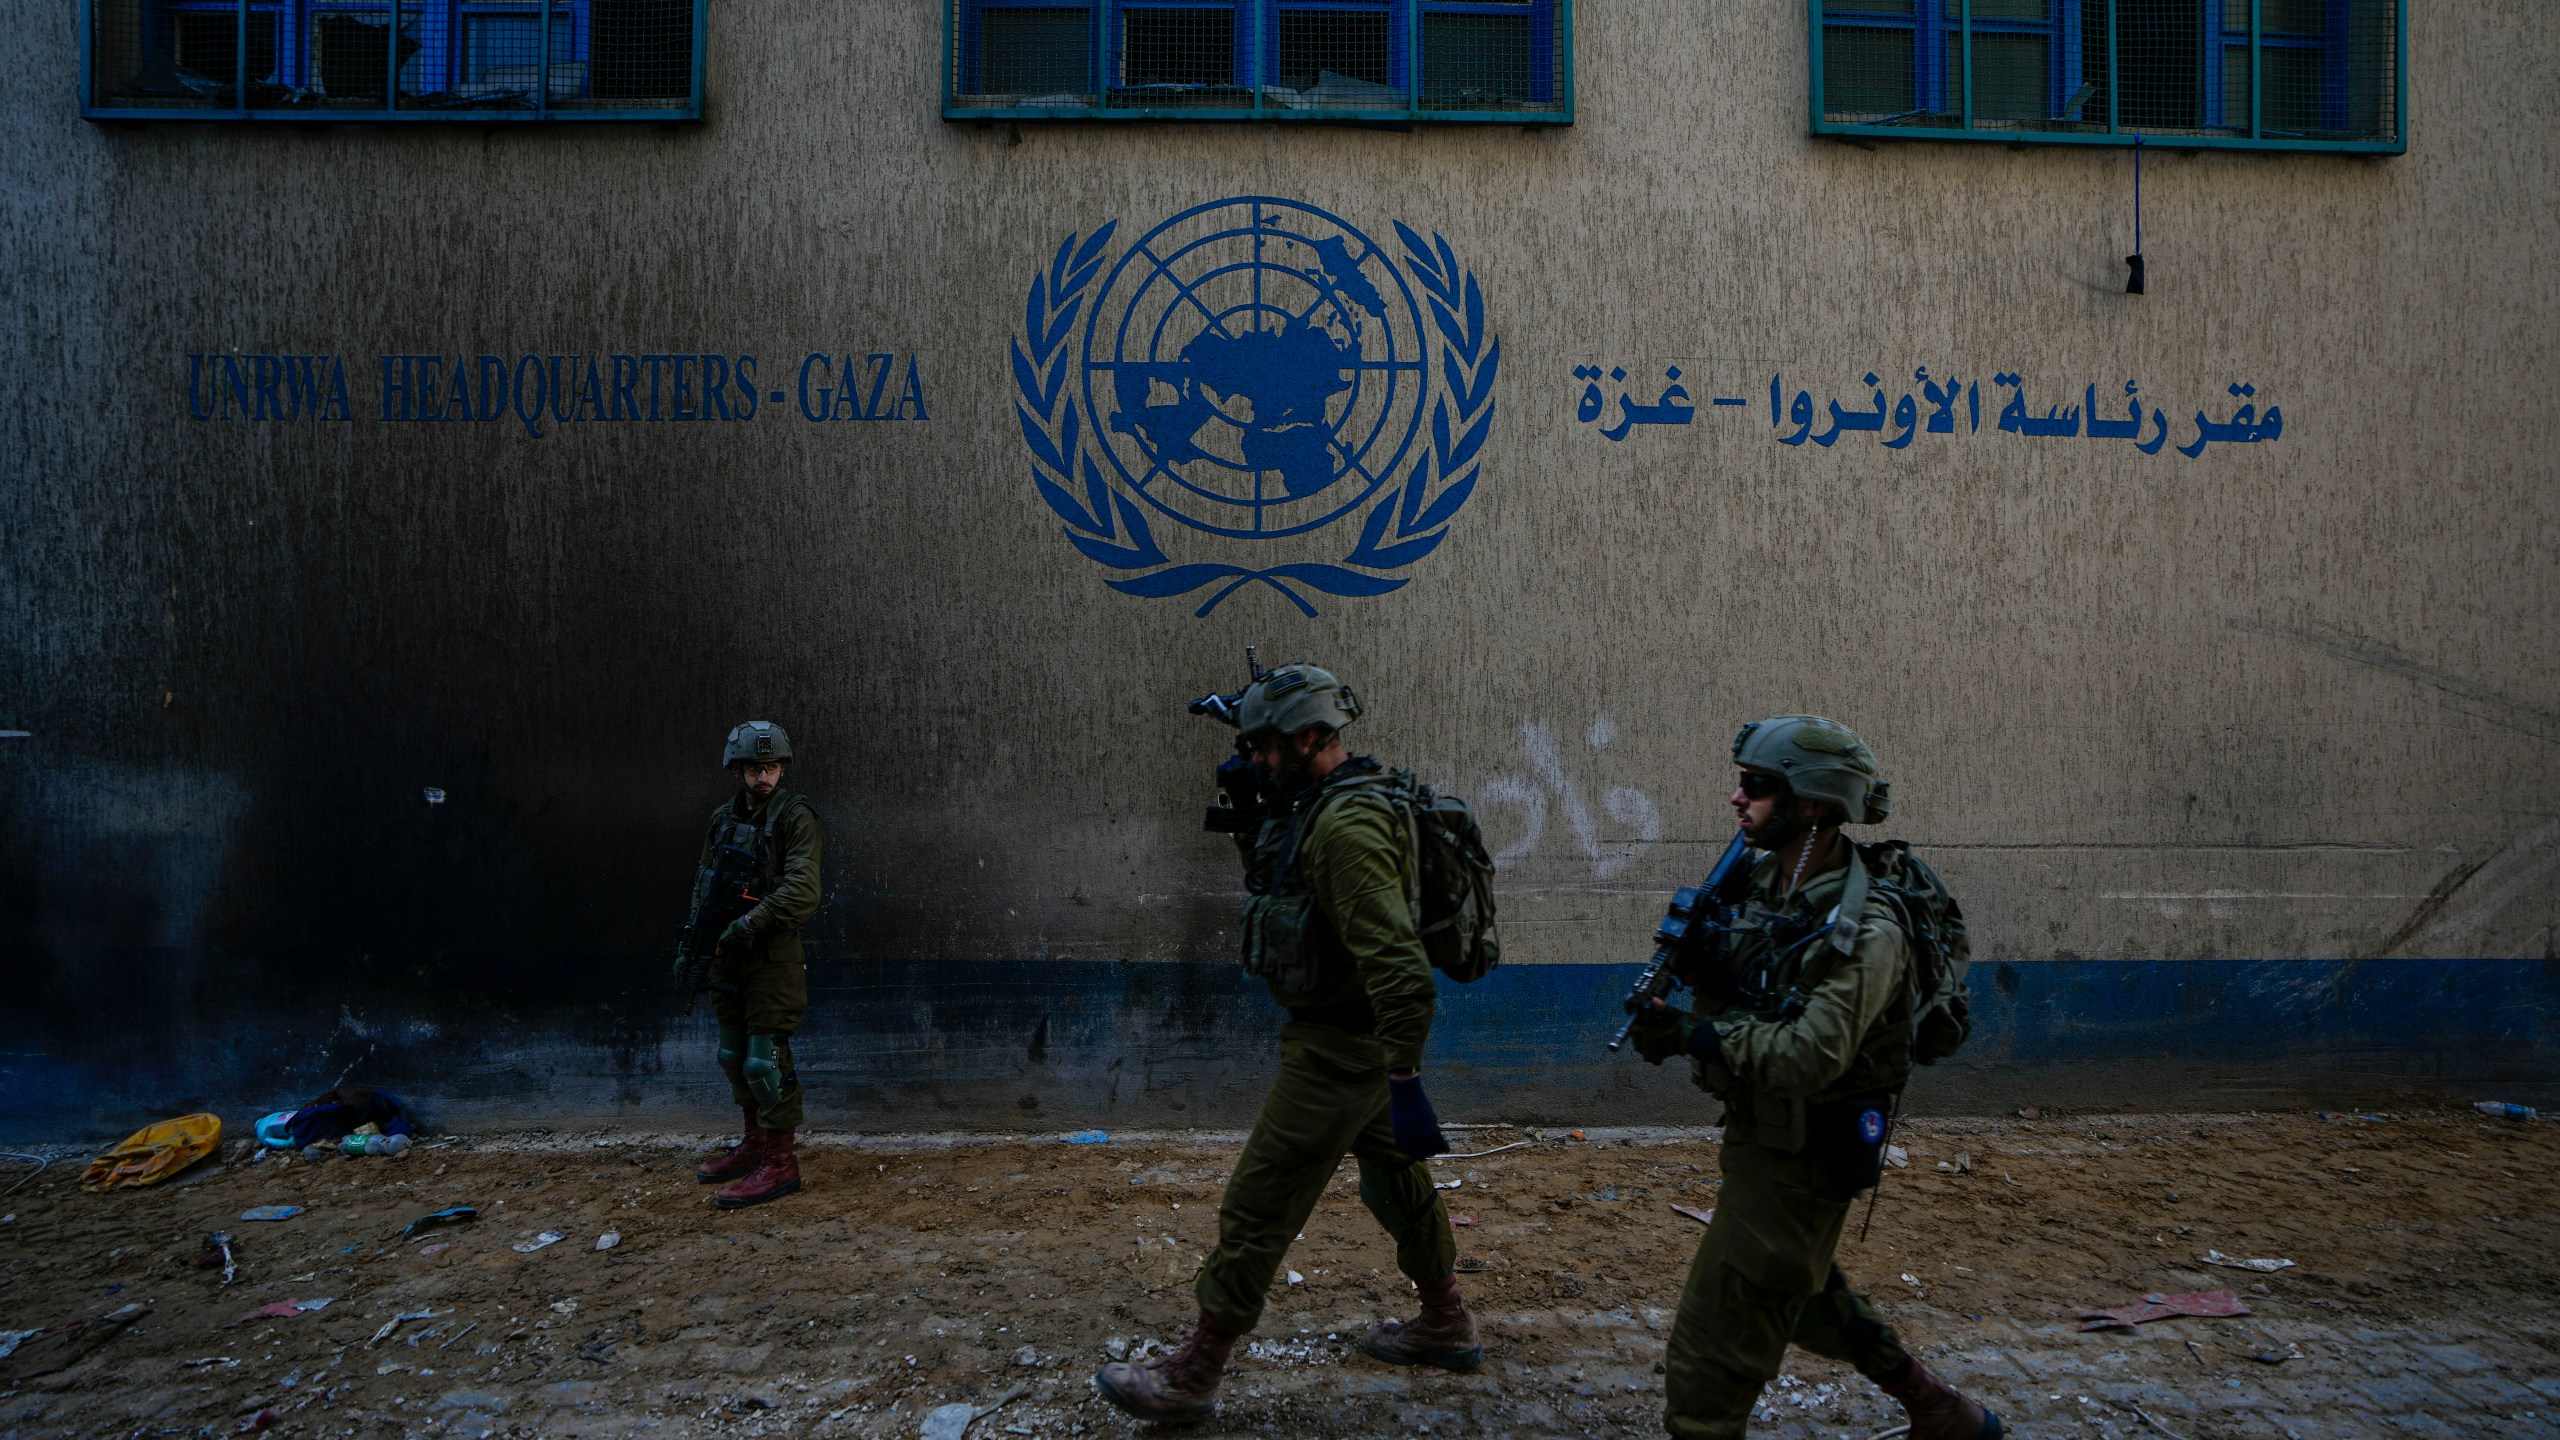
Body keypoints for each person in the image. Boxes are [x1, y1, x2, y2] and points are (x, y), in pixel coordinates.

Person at [1095, 664, 1479, 1422]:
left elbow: (1403, 973)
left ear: (1312, 737)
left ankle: (1194, 1372)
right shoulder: (1318, 807)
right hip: (1353, 1042)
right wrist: (1251, 813)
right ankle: (1446, 1320)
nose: (1260, 759)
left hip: (1341, 1049)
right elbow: (1291, 898)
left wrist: (1403, 1079)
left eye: (1270, 746)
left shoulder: (1347, 826)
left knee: (1257, 1205)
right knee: (1395, 1184)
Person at [1627, 716, 2001, 1440]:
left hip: (1808, 1151)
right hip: (1761, 1137)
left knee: (1711, 1358)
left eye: (1758, 787)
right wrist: (1700, 975)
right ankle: (1937, 1407)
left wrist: (1696, 1033)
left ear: (1813, 804)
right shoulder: (1769, 874)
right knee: (1801, 1291)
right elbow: (1761, 984)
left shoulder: (1867, 929)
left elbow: (1809, 1054)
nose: (1739, 799)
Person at [683, 720, 825, 1209]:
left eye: (771, 767)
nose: (763, 777)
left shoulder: (794, 816)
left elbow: (802, 891)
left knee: (765, 1062)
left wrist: (745, 927)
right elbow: (705, 884)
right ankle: (755, 1144)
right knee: (732, 1055)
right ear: (738, 770)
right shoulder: (724, 818)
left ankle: (781, 1164)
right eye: (753, 769)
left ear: (781, 768)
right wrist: (692, 945)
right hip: (727, 955)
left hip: (770, 956)